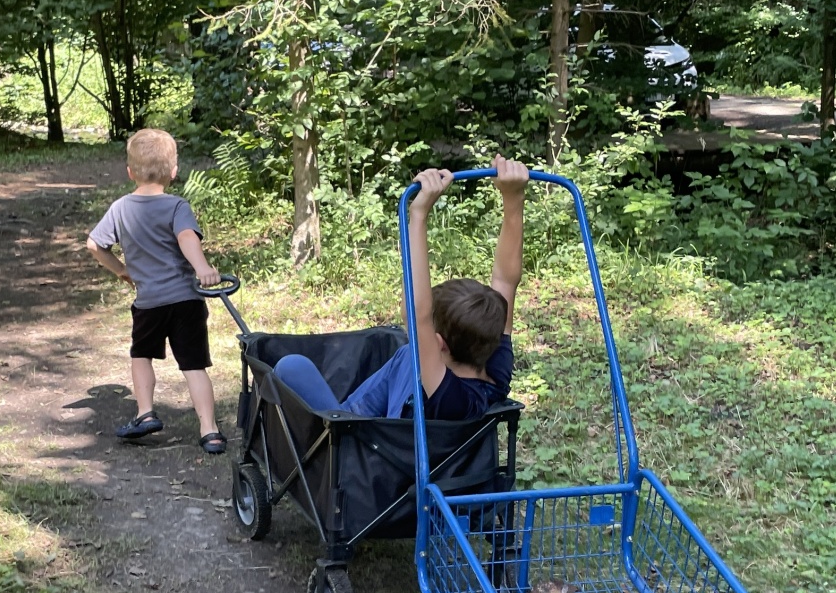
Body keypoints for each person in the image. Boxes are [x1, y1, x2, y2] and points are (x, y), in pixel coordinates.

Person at [272, 157, 527, 421]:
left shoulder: (452, 401)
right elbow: (505, 281)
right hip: (391, 420)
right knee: (408, 354)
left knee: (292, 367)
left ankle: (342, 426)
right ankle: (349, 415)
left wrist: (418, 215)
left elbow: (417, 316)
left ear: (438, 344)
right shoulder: (495, 371)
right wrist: (513, 198)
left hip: (372, 446)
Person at [87, 128, 226, 454]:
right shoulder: (177, 205)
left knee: (141, 355)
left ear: (130, 172)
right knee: (194, 365)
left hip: (149, 302)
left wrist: (121, 270)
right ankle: (210, 431)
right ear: (173, 172)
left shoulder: (121, 208)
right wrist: (202, 268)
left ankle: (146, 412)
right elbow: (186, 237)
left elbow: (94, 244)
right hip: (186, 301)